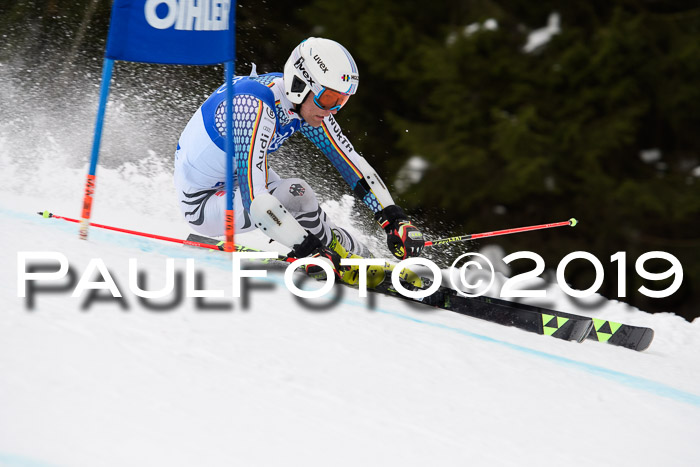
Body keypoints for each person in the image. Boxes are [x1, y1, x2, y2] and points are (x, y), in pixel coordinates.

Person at [174, 37, 424, 279]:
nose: (332, 110)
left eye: (341, 101)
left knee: (300, 197)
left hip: (235, 180)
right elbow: (254, 200)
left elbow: (350, 161)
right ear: (300, 84)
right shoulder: (254, 106)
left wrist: (394, 219)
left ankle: (361, 257)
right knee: (296, 192)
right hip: (204, 203)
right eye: (328, 99)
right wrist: (307, 248)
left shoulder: (301, 104)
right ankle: (338, 255)